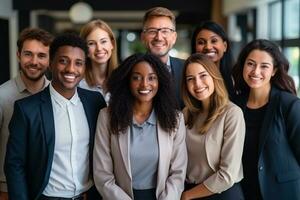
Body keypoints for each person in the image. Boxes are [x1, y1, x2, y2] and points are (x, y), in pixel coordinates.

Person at [4, 33, 106, 200]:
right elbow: (15, 164)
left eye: (78, 63)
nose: (71, 69)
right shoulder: (27, 109)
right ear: (51, 63)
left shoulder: (95, 102)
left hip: (89, 196)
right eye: (63, 61)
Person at [93, 53, 187, 200]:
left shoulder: (176, 119)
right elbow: (102, 175)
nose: (144, 84)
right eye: (136, 77)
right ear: (127, 81)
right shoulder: (107, 117)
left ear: (160, 81)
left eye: (152, 77)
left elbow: (178, 174)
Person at [232, 39, 300, 200]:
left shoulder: (289, 104)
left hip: (282, 192)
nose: (256, 71)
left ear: (274, 70)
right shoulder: (233, 104)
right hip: (243, 191)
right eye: (251, 64)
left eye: (264, 66)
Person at [181, 53, 245, 200]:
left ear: (214, 77)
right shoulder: (186, 113)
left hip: (222, 194)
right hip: (189, 190)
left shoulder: (232, 113)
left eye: (203, 75)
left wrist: (186, 196)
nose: (197, 84)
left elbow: (228, 175)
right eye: (190, 79)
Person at [0, 27, 53, 200]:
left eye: (41, 55)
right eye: (28, 54)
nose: (34, 61)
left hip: (48, 189)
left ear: (50, 59)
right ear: (18, 55)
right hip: (7, 189)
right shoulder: (2, 96)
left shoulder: (56, 95)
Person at [141, 6, 184, 108]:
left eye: (165, 31)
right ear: (143, 37)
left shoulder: (187, 69)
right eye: (152, 31)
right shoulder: (129, 71)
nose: (159, 37)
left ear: (174, 38)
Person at [191, 21, 235, 98]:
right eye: (201, 42)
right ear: (194, 47)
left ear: (225, 46)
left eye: (214, 41)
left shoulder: (235, 78)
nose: (208, 47)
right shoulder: (188, 78)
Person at [79, 19, 118, 103]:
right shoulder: (77, 84)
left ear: (112, 44)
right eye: (91, 43)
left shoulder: (124, 81)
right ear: (84, 48)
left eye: (103, 41)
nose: (99, 48)